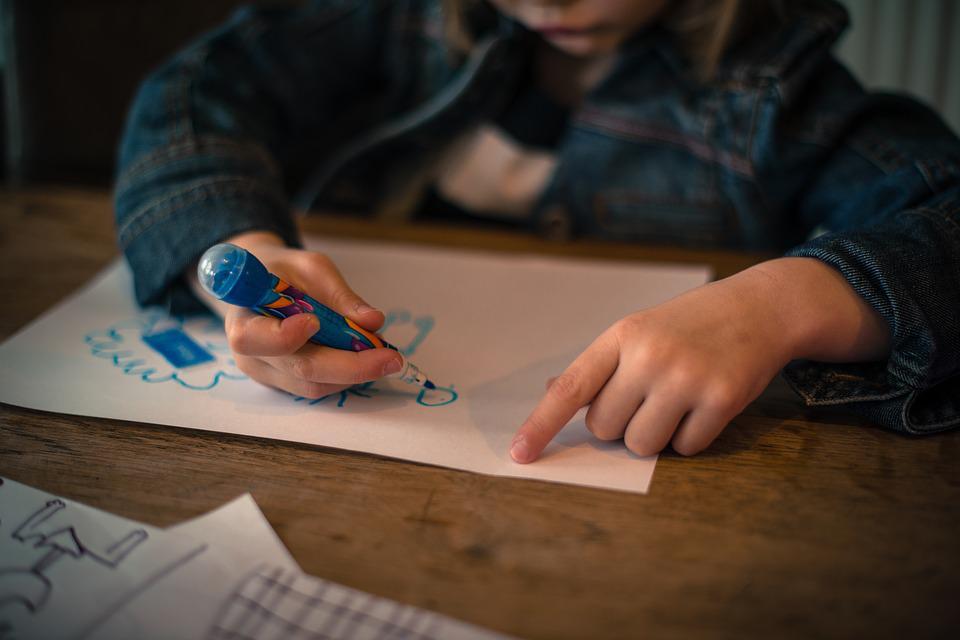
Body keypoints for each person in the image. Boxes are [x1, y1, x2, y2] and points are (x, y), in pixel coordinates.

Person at [114, 0, 960, 464]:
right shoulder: (398, 17)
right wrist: (243, 250)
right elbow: (194, 92)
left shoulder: (784, 89)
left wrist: (785, 303)